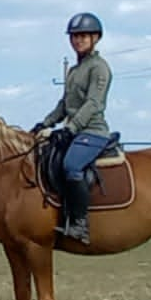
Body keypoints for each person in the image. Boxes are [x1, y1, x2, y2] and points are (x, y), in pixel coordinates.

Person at [30, 13, 112, 244]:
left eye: (83, 36)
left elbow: (94, 103)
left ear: (95, 37)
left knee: (72, 166)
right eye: (75, 36)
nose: (78, 40)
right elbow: (64, 104)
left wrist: (71, 128)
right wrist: (45, 123)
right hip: (75, 130)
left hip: (93, 132)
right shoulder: (75, 70)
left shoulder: (99, 68)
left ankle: (79, 224)